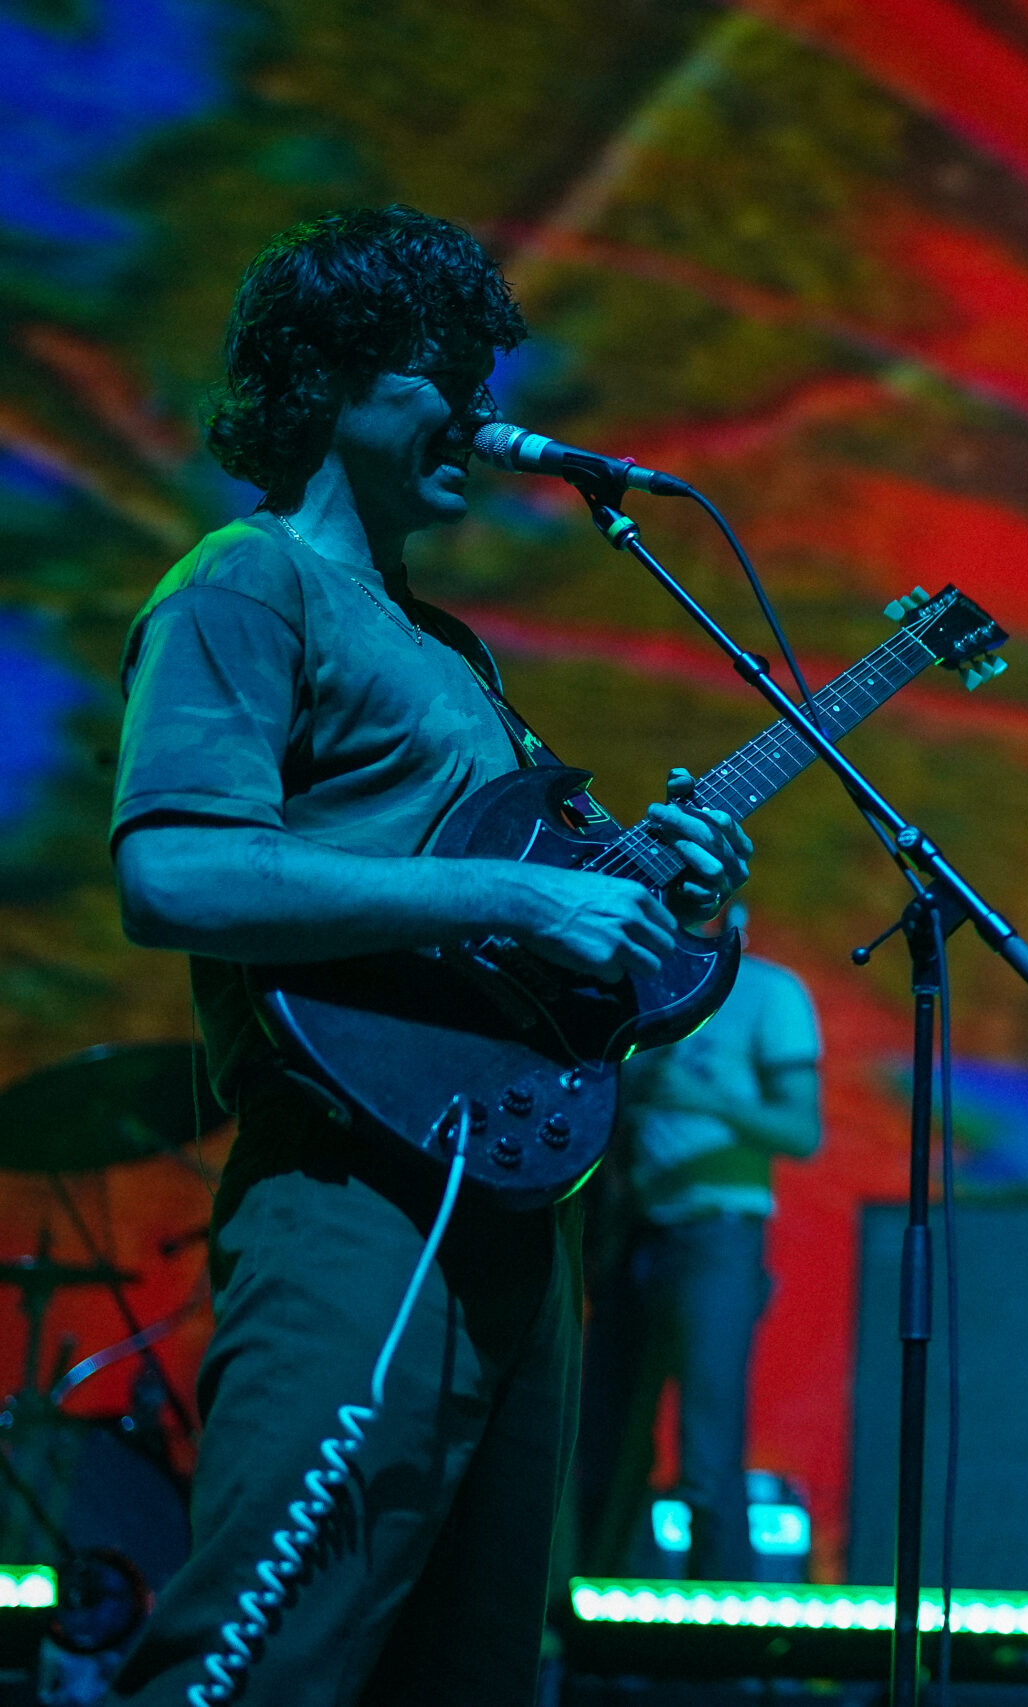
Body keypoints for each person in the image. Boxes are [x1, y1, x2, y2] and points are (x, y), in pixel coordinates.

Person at [108, 206, 753, 1705]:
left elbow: (535, 955)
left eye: (485, 373)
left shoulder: (453, 650)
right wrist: (521, 900)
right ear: (332, 380)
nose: (483, 411)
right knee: (266, 1644)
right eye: (441, 375)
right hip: (354, 1193)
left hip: (513, 1203)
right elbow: (174, 866)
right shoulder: (243, 581)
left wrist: (674, 909)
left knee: (473, 1665)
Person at [578, 907, 821, 1582]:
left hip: (718, 1232)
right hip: (635, 1232)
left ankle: (723, 1647)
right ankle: (578, 1635)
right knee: (603, 1442)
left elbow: (802, 1130)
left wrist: (701, 1099)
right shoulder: (641, 991)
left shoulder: (769, 993)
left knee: (709, 1447)